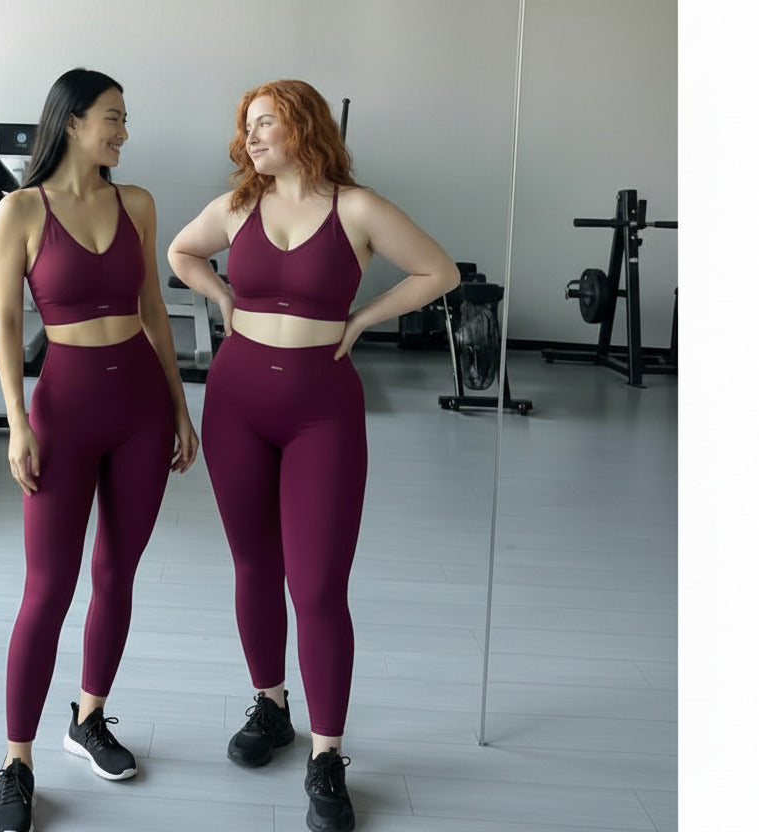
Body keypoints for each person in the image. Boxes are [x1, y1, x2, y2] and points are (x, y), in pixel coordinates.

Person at [167, 79, 459, 832]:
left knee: (319, 584)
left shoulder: (357, 208)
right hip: (235, 404)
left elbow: (440, 272)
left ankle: (327, 755)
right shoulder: (238, 206)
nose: (250, 139)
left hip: (321, 413)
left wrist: (363, 318)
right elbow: (180, 252)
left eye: (264, 124)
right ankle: (270, 707)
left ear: (304, 127)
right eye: (246, 127)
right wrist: (223, 300)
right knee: (253, 566)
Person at [0, 68, 198, 832]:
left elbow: (154, 311)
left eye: (125, 119)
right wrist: (14, 420)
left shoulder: (135, 202)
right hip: (63, 414)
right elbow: (6, 324)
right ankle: (16, 763)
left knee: (117, 571)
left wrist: (179, 406)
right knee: (47, 588)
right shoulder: (20, 210)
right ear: (72, 121)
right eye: (112, 117)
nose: (123, 131)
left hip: (140, 406)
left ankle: (89, 717)